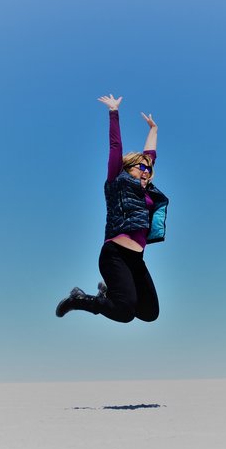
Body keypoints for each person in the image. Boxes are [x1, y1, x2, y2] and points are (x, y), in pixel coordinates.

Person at [55, 94, 169, 323]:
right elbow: (115, 145)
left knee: (149, 313)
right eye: (142, 167)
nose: (146, 171)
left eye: (149, 169)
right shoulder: (117, 178)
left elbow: (150, 157)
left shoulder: (145, 190)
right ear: (129, 167)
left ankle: (108, 293)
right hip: (114, 255)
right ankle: (79, 299)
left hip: (136, 259)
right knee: (124, 312)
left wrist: (154, 129)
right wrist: (113, 112)